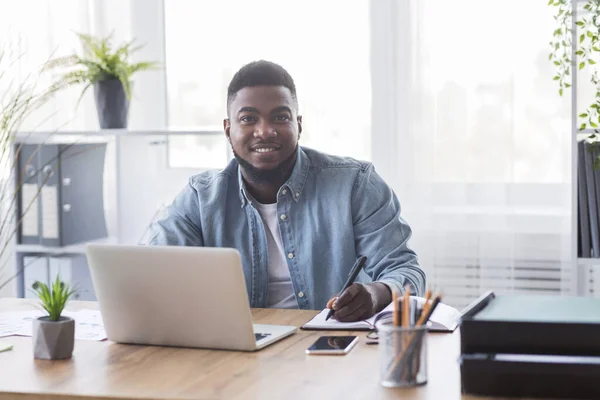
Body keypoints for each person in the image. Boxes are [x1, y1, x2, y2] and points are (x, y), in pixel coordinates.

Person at [148, 60, 425, 322]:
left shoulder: (355, 185)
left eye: (280, 117)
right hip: (236, 353)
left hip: (328, 349)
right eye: (248, 119)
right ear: (228, 129)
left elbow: (407, 272)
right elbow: (148, 271)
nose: (265, 131)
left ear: (298, 125)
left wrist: (376, 294)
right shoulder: (200, 199)